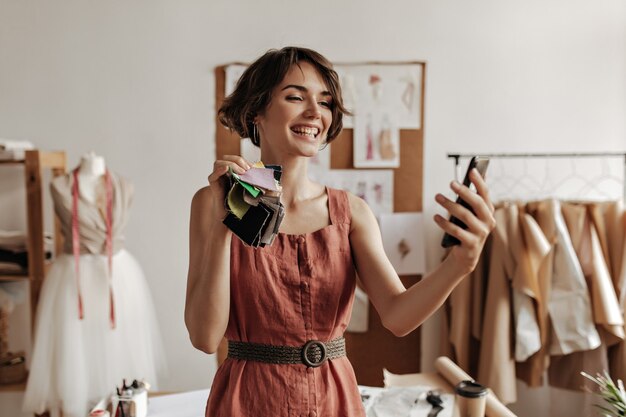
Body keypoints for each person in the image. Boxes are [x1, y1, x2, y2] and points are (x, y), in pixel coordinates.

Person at [185, 47, 495, 417]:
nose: (315, 112)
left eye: (326, 102)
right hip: (248, 399)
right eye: (296, 96)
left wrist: (460, 264)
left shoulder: (353, 212)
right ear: (256, 112)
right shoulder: (213, 200)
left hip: (333, 399)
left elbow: (398, 317)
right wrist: (226, 225)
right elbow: (204, 338)